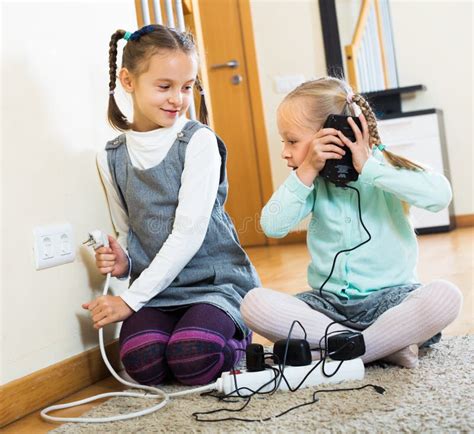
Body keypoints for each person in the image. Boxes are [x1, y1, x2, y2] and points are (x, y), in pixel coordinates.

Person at [241, 76, 462, 368]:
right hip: (327, 306)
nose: (284, 151)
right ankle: (381, 345)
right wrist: (306, 171)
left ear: (335, 134)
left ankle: (346, 349)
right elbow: (273, 225)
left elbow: (439, 195)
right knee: (253, 303)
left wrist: (370, 169)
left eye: (291, 141)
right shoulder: (310, 181)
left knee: (446, 296)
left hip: (391, 301)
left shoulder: (381, 168)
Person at [82, 24, 260, 385]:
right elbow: (129, 232)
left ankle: (239, 336)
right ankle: (184, 331)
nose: (177, 99)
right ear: (128, 81)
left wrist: (130, 301)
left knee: (194, 357)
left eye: (186, 86)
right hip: (157, 291)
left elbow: (188, 235)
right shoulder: (111, 156)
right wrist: (123, 262)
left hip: (214, 283)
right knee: (143, 364)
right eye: (164, 86)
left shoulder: (198, 142)